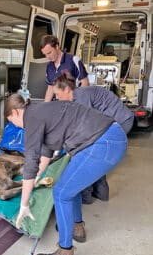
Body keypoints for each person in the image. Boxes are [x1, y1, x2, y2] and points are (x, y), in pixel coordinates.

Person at [5, 93, 127, 255]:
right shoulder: (41, 111)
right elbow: (46, 152)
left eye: (12, 121)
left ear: (15, 112)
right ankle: (77, 228)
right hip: (109, 138)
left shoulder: (31, 118)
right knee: (71, 187)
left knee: (61, 193)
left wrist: (24, 204)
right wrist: (37, 177)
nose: (15, 126)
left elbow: (30, 162)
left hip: (102, 143)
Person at [51, 72, 134, 204]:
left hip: (121, 120)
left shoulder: (81, 96)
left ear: (66, 90)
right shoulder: (77, 96)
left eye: (57, 94)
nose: (56, 98)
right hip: (117, 119)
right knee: (97, 157)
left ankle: (86, 196)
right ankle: (101, 193)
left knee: (88, 155)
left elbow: (87, 128)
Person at [39, 34, 89, 102]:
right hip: (57, 105)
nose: (48, 57)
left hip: (72, 103)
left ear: (57, 47)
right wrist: (45, 106)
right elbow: (50, 88)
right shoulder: (49, 66)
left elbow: (85, 83)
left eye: (49, 53)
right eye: (45, 55)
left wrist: (76, 102)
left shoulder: (73, 60)